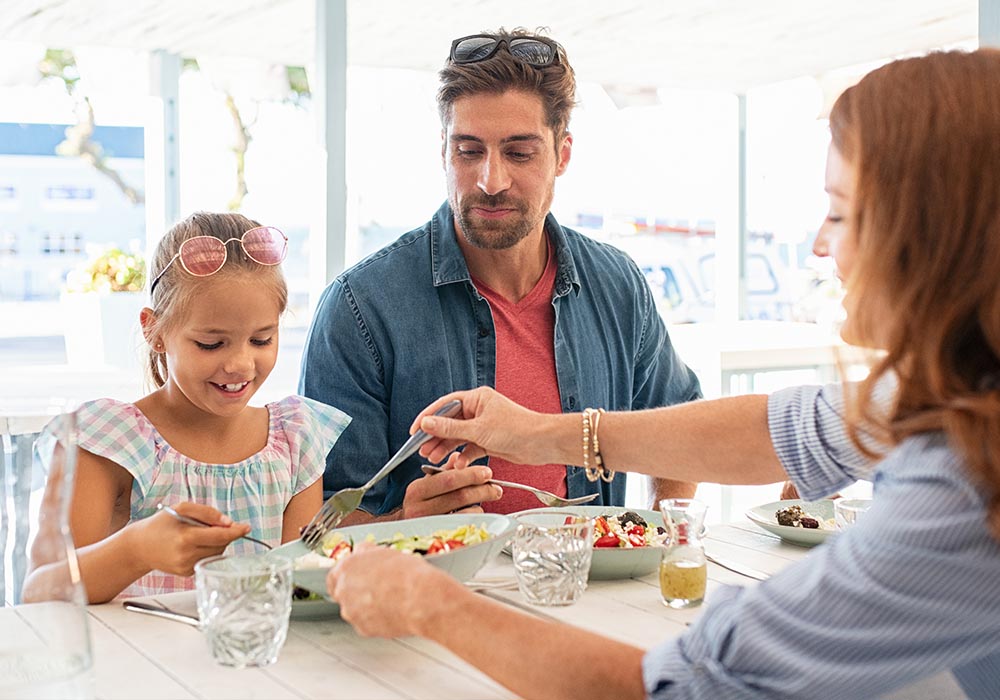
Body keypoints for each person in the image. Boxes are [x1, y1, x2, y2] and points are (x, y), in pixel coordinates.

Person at [326, 49, 1000, 699]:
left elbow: (686, 687)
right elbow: (794, 429)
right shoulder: (963, 399)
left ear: (938, 234)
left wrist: (432, 604)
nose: (820, 243)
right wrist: (535, 436)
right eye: (467, 149)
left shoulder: (962, 486)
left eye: (842, 211)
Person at [299, 28, 700, 521]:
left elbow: (682, 430)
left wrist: (661, 538)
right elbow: (319, 525)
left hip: (592, 594)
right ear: (443, 153)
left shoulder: (618, 286)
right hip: (433, 595)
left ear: (563, 155)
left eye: (519, 152)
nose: (491, 181)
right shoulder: (359, 308)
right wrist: (403, 525)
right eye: (469, 151)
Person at [25, 212, 350, 604]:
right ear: (155, 331)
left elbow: (298, 590)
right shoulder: (108, 439)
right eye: (211, 344)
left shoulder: (295, 438)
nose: (241, 365)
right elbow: (39, 592)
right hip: (133, 663)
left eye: (262, 340)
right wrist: (136, 549)